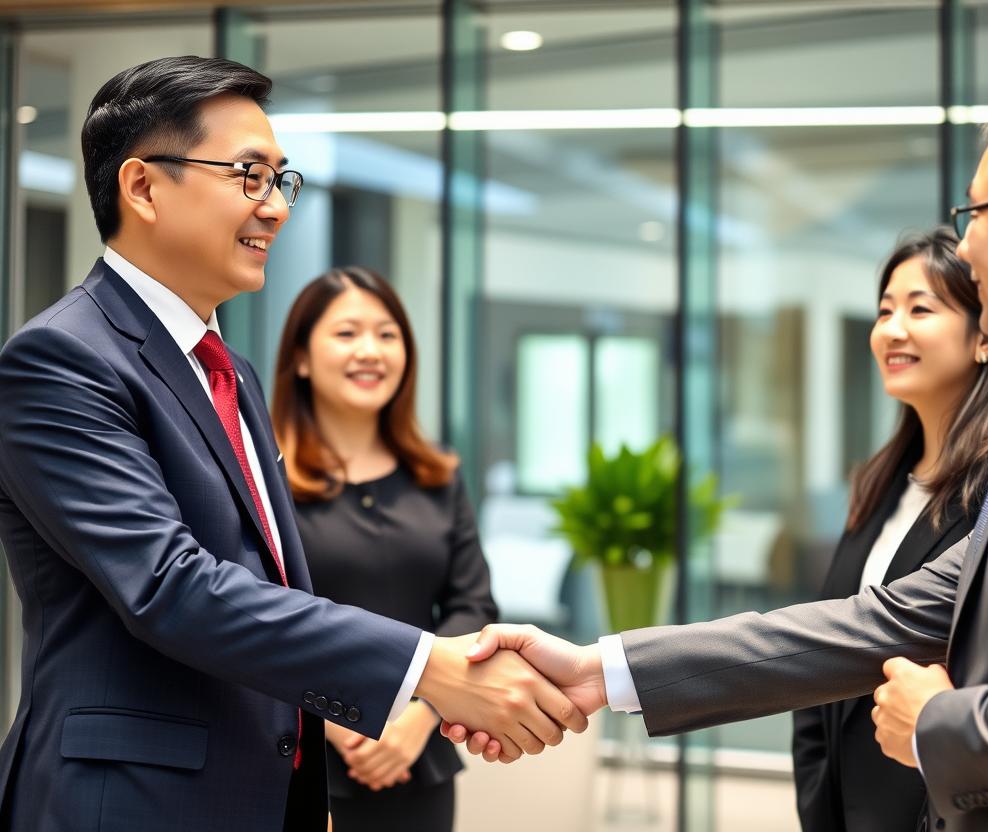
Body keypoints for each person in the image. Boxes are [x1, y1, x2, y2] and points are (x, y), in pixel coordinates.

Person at [447, 74, 988, 832]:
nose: (968, 243)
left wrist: (933, 726)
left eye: (974, 212)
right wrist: (602, 669)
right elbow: (881, 619)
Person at [0, 55, 584, 832]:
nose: (274, 207)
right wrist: (426, 668)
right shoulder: (61, 358)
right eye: (249, 175)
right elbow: (171, 586)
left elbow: (273, 590)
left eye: (281, 179)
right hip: (131, 802)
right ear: (142, 187)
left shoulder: (228, 371)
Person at [792, 229, 988, 832]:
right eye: (884, 310)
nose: (892, 329)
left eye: (921, 308)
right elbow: (827, 649)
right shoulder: (878, 484)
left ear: (986, 336)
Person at [272, 266, 497, 832]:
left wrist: (422, 717)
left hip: (417, 758)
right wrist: (335, 719)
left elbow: (473, 609)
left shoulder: (438, 476)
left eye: (387, 334)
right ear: (300, 357)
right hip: (302, 756)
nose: (370, 350)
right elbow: (255, 612)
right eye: (347, 333)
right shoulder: (265, 479)